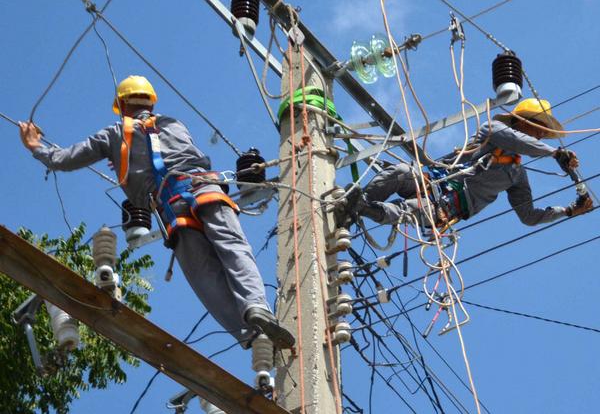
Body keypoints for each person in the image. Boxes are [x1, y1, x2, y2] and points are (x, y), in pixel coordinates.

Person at [19, 75, 294, 350]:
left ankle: (250, 334)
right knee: (235, 249)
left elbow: (65, 159)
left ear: (122, 104)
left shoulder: (114, 134)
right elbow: (159, 151)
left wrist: (35, 146)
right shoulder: (174, 124)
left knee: (205, 276)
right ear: (150, 101)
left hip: (173, 208)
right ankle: (256, 305)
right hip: (206, 189)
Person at [346, 98, 593, 228]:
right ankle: (356, 205)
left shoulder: (517, 176)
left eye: (544, 132)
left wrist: (569, 210)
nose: (540, 134)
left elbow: (528, 216)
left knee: (408, 210)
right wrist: (554, 153)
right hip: (433, 181)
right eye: (538, 127)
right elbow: (515, 140)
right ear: (520, 121)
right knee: (399, 172)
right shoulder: (493, 129)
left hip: (450, 207)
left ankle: (362, 209)